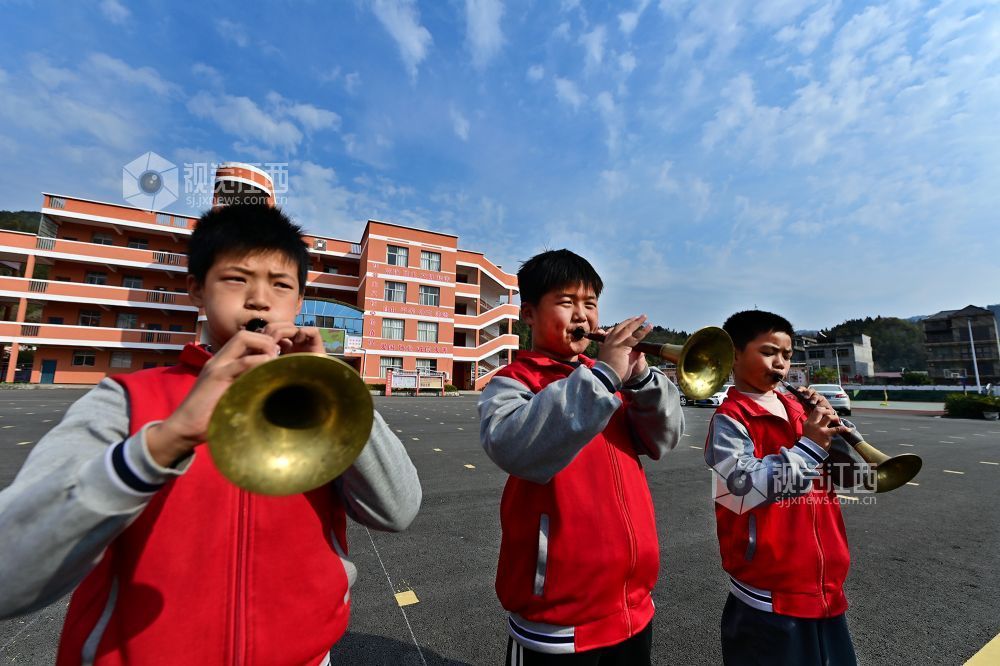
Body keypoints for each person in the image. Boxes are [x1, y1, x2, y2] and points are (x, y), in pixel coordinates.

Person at [0, 204, 421, 665]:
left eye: (281, 285)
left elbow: (397, 510)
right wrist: (165, 441)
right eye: (237, 279)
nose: (260, 300)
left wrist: (337, 392)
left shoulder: (322, 398)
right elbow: (9, 575)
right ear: (196, 289)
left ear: (299, 302)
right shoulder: (124, 399)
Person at [478, 249, 684, 665]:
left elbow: (665, 439)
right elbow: (513, 445)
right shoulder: (512, 382)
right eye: (566, 302)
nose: (582, 316)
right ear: (529, 314)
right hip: (556, 620)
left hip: (631, 607)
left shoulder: (613, 378)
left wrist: (642, 379)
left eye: (590, 304)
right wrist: (604, 376)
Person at [704, 309, 858, 665]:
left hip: (824, 587)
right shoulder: (730, 418)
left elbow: (850, 475)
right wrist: (809, 447)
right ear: (734, 354)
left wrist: (839, 432)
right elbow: (743, 490)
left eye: (787, 356)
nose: (780, 364)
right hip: (767, 594)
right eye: (769, 352)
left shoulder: (799, 408)